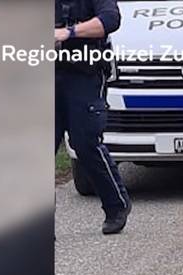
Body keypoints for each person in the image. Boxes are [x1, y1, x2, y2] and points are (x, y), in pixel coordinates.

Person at [55, 0, 132, 235]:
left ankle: (116, 205)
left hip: (85, 77)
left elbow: (110, 20)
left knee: (86, 143)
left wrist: (68, 33)